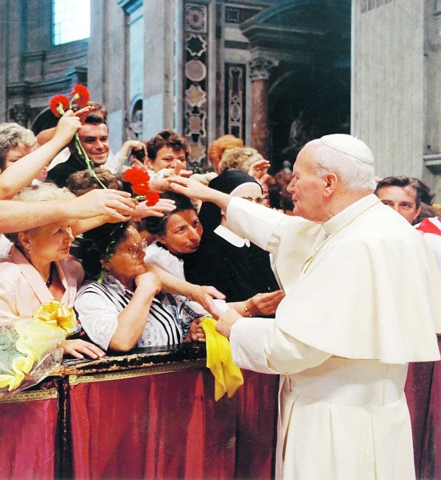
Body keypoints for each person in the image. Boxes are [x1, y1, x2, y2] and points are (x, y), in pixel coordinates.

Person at [169, 134, 441, 479]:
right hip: (372, 411)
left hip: (332, 420)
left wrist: (232, 324)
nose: (289, 186)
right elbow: (283, 229)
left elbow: (295, 347)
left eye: (298, 176)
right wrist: (210, 195)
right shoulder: (374, 225)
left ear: (329, 183)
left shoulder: (355, 244)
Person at [0, 184, 105, 360]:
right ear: (26, 238)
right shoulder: (1, 281)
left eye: (68, 227)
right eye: (59, 230)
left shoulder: (73, 269)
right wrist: (57, 346)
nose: (70, 237)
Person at [74, 222, 205, 351]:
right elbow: (120, 341)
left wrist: (193, 330)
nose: (143, 254)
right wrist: (146, 289)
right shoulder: (91, 296)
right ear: (105, 261)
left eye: (142, 246)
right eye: (134, 250)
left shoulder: (147, 279)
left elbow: (199, 314)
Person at [184, 170, 283, 316]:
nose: (254, 207)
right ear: (223, 207)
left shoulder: (258, 245)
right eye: (246, 200)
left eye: (259, 200)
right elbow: (201, 308)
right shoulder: (205, 252)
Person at [47, 108, 110, 187]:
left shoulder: (101, 170)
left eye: (103, 139)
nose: (100, 146)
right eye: (90, 140)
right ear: (72, 146)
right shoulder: (59, 175)